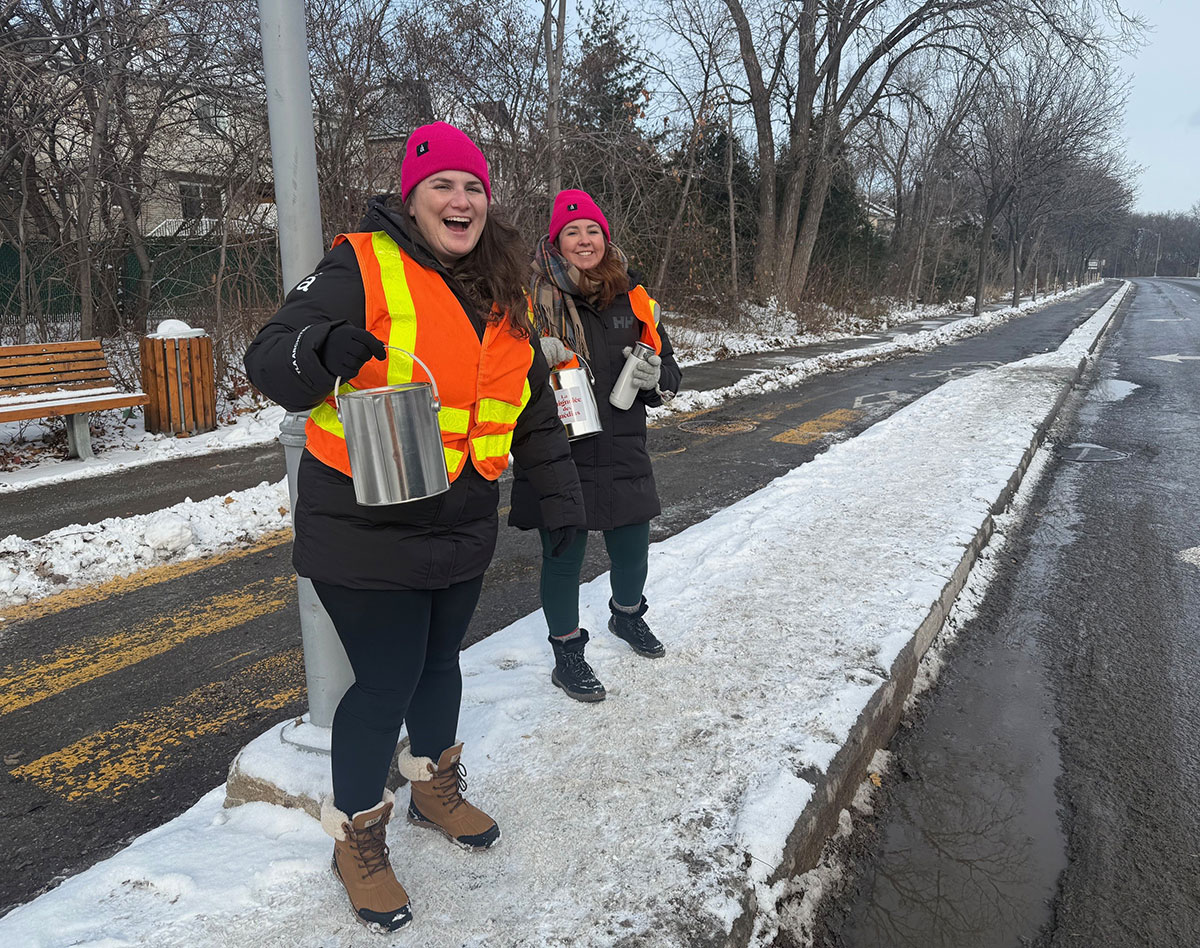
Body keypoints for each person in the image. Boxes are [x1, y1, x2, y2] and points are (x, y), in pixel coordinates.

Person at [243, 123, 584, 933]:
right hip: (364, 522)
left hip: (463, 515)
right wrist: (323, 346)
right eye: (443, 186)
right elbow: (268, 358)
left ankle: (433, 789)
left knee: (440, 665)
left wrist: (559, 493)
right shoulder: (360, 263)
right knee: (387, 680)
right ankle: (356, 834)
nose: (460, 200)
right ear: (413, 195)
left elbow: (529, 402)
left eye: (473, 186)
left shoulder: (506, 285)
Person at [508, 188, 682, 703]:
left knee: (632, 550)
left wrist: (656, 377)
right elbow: (497, 377)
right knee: (564, 557)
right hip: (558, 450)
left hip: (624, 447)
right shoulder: (525, 301)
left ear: (606, 239)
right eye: (572, 231)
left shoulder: (634, 297)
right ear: (555, 241)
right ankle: (567, 655)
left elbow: (669, 369)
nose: (584, 240)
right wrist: (533, 360)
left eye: (593, 231)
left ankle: (627, 618)